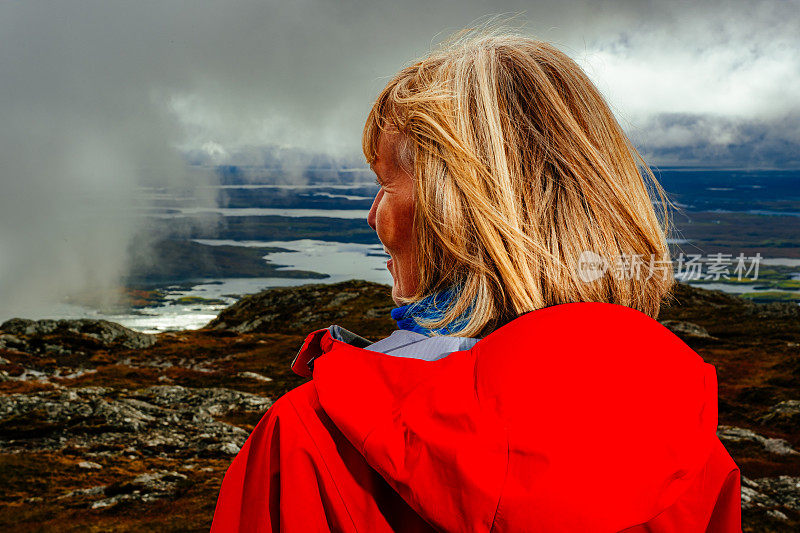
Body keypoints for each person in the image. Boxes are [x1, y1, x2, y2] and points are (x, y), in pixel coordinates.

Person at [211, 29, 741, 532]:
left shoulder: (310, 440)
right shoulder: (692, 452)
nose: (372, 215)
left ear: (456, 209)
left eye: (385, 183)